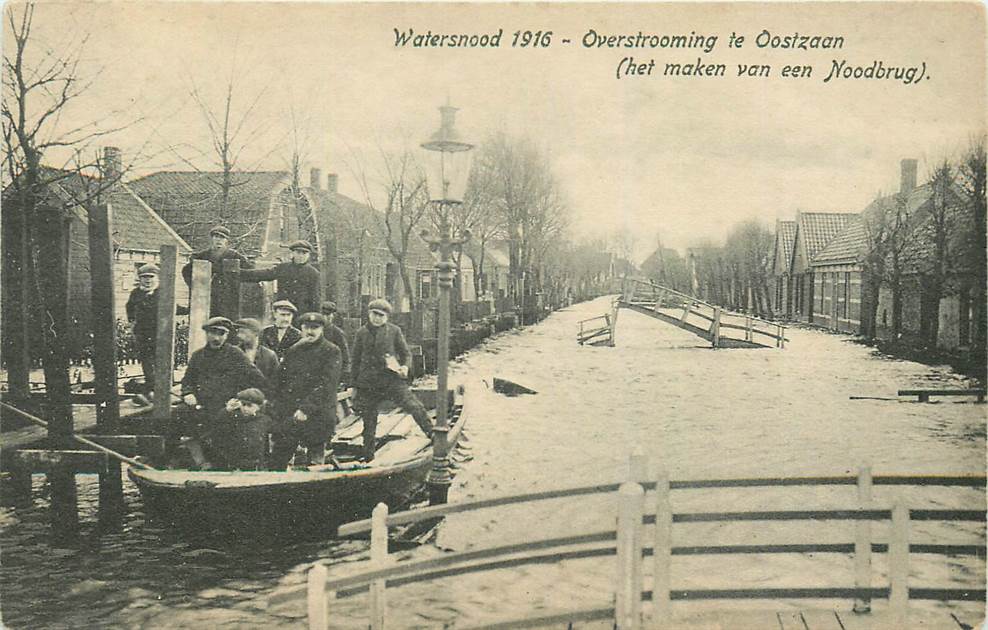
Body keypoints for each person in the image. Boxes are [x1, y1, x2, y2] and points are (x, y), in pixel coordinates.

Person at [350, 298, 432, 462]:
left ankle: (433, 434)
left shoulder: (394, 331)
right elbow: (355, 360)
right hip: (368, 384)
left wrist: (405, 368)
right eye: (374, 314)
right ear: (369, 314)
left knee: (414, 406)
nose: (377, 318)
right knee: (369, 421)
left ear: (387, 317)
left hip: (391, 381)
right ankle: (368, 457)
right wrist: (354, 386)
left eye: (381, 315)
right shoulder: (361, 333)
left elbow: (406, 354)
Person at [271, 312, 342, 468]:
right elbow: (281, 382)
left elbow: (327, 385)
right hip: (293, 415)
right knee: (278, 459)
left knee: (315, 462)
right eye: (306, 327)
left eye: (315, 328)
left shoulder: (332, 351)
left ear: (322, 329)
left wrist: (306, 409)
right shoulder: (293, 351)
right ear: (301, 329)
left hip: (318, 415)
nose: (310, 332)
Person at [180, 317, 266, 433]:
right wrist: (188, 393)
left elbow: (257, 379)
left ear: (226, 335)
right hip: (201, 407)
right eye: (212, 333)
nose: (216, 338)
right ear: (206, 333)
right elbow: (187, 381)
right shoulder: (198, 356)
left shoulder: (235, 354)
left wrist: (241, 399)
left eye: (221, 334)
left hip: (227, 409)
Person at [181, 225, 254, 319]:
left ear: (226, 240)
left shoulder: (235, 256)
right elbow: (186, 271)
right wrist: (194, 286)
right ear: (212, 239)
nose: (218, 240)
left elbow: (250, 271)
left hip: (229, 299)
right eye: (216, 237)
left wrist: (237, 286)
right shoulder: (202, 256)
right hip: (206, 298)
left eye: (222, 237)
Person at [239, 240, 321, 317]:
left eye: (304, 253)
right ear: (292, 253)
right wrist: (239, 273)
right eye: (298, 252)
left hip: (301, 313)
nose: (301, 256)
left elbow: (315, 297)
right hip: (283, 309)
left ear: (308, 255)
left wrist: (314, 316)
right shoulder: (283, 268)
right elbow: (265, 274)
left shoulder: (313, 273)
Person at [199, 388, 273, 471]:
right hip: (235, 464)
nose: (245, 408)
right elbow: (217, 428)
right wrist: (226, 411)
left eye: (249, 405)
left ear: (259, 407)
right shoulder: (232, 418)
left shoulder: (264, 420)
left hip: (256, 464)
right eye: (243, 404)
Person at [125, 263, 161, 401]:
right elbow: (129, 307)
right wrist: (132, 322)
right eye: (144, 277)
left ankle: (161, 389)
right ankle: (151, 387)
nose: (147, 280)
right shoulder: (136, 293)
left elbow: (174, 307)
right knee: (146, 361)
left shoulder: (163, 292)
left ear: (157, 278)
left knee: (161, 361)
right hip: (143, 333)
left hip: (160, 333)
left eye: (151, 277)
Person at [235, 318, 280, 385]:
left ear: (256, 333)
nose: (238, 335)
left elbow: (276, 382)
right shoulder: (234, 352)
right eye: (238, 332)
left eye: (242, 332)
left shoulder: (269, 355)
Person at [320, 300, 351, 384]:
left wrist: (344, 376)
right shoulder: (316, 330)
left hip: (333, 371)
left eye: (328, 315)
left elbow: (345, 356)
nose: (326, 317)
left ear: (333, 316)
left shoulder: (337, 333)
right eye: (323, 314)